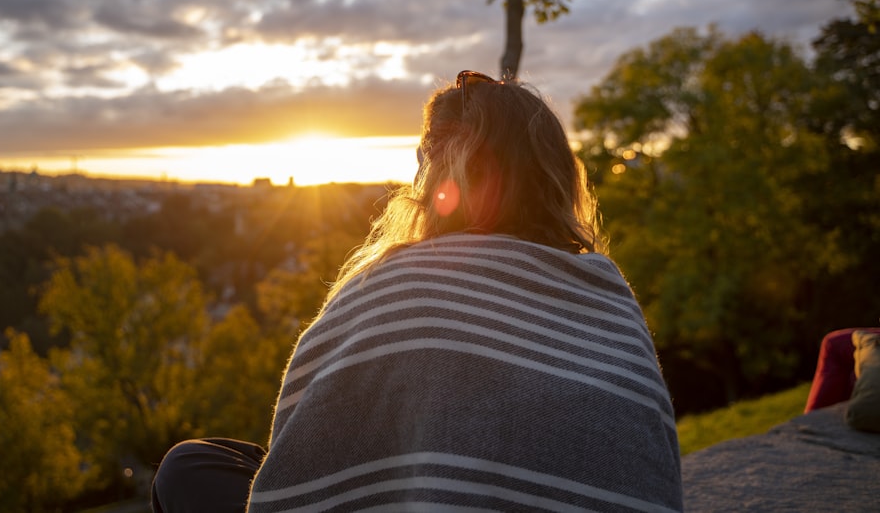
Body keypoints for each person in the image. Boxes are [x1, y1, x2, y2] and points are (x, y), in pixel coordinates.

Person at [152, 71, 683, 512]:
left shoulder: (397, 283)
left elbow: (305, 446)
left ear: (439, 177)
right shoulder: (605, 288)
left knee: (190, 467)